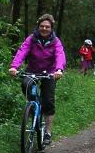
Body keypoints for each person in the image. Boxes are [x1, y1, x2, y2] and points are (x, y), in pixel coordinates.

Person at [9, 13, 65, 145]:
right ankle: (33, 107)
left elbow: (60, 55)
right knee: (26, 84)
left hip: (50, 72)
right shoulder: (31, 39)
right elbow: (22, 51)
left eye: (47, 27)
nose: (44, 29)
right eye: (42, 26)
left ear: (51, 29)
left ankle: (48, 132)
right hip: (33, 70)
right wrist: (14, 66)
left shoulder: (55, 42)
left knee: (48, 101)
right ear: (38, 26)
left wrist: (59, 70)